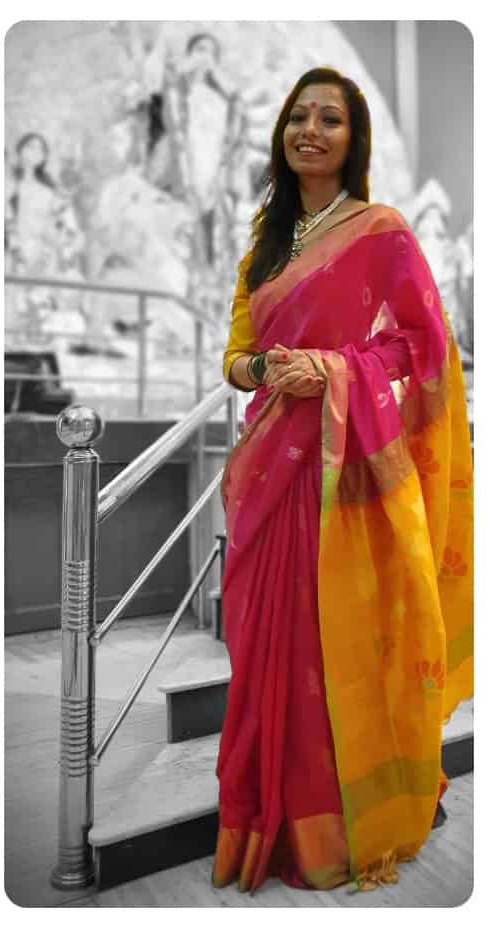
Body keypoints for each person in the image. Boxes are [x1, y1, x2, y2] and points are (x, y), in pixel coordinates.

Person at [216, 67, 472, 894]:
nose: (312, 131)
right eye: (299, 117)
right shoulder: (266, 238)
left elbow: (421, 344)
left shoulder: (382, 231)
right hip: (270, 465)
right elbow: (235, 359)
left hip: (345, 469)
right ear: (282, 134)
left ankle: (342, 812)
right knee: (267, 643)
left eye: (331, 119)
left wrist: (330, 370)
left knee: (338, 642)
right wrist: (265, 368)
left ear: (353, 141)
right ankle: (272, 813)